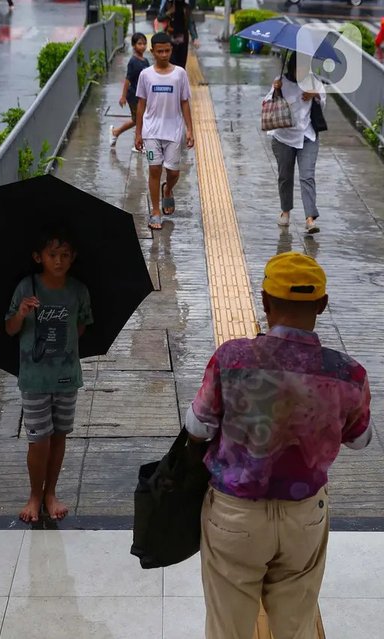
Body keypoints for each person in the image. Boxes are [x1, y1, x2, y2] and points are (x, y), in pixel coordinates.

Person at [185, 251, 372, 639]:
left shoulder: (232, 358)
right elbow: (360, 440)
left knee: (228, 629)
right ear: (322, 304)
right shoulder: (348, 372)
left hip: (235, 515)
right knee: (296, 626)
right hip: (304, 516)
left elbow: (197, 426)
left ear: (265, 302)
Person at [5, 226, 93, 523]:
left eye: (64, 255)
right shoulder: (26, 288)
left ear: (73, 257)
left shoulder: (79, 290)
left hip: (67, 376)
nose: (58, 261)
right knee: (38, 439)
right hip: (34, 378)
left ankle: (51, 493)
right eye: (52, 255)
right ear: (38, 257)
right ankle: (34, 495)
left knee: (58, 435)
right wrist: (21, 314)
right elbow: (10, 329)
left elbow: (81, 328)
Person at [135, 31, 194, 230]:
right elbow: (141, 105)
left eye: (167, 51)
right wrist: (138, 133)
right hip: (151, 132)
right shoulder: (145, 75)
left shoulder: (180, 74)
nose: (163, 54)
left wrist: (189, 130)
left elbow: (185, 102)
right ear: (153, 51)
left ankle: (167, 189)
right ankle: (155, 212)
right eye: (159, 51)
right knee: (154, 169)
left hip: (174, 131)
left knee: (174, 172)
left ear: (171, 50)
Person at [265, 52, 326, 234]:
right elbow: (267, 103)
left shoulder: (313, 81)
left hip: (307, 136)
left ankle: (310, 218)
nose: (301, 71)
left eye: (304, 68)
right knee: (285, 177)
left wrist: (315, 95)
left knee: (307, 176)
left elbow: (323, 104)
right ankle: (285, 211)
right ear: (291, 67)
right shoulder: (281, 80)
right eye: (298, 68)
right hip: (284, 137)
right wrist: (275, 90)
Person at [109, 32, 149, 152]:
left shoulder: (145, 61)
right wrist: (123, 96)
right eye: (139, 44)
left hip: (143, 96)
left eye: (144, 43)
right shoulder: (133, 61)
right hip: (133, 96)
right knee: (139, 119)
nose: (142, 46)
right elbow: (127, 80)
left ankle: (116, 132)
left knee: (136, 120)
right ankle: (138, 144)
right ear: (133, 45)